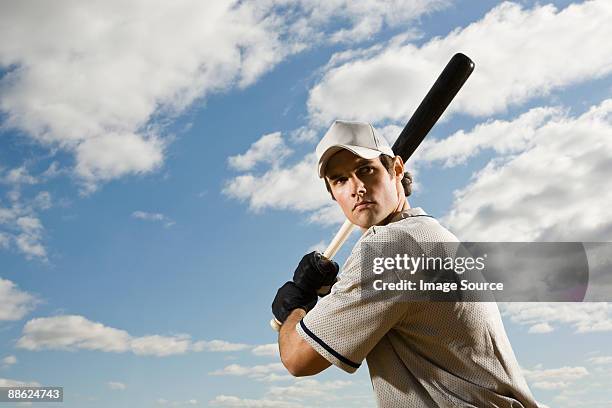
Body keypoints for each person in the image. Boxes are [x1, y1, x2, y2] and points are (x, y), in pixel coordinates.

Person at [271, 120, 538, 407]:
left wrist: (293, 310)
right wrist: (332, 291)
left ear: (396, 170)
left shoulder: (388, 247)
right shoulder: (428, 235)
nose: (356, 188)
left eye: (365, 170)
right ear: (333, 194)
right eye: (340, 180)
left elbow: (298, 359)